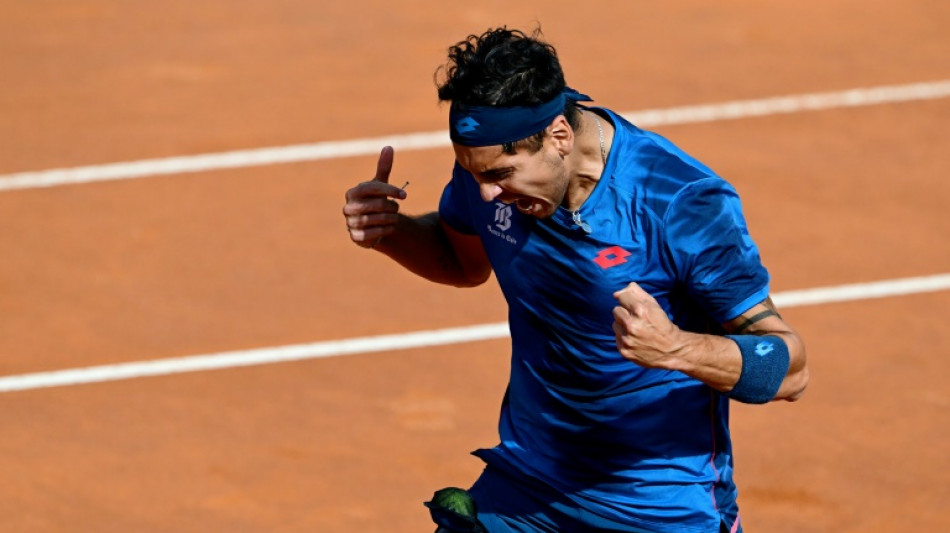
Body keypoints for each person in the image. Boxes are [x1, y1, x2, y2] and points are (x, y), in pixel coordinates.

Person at [342, 27, 808, 533]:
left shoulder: (677, 202)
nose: (486, 193)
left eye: (500, 174)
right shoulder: (486, 173)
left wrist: (677, 349)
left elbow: (790, 368)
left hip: (655, 505)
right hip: (529, 484)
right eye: (472, 174)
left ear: (559, 137)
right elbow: (464, 263)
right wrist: (392, 233)